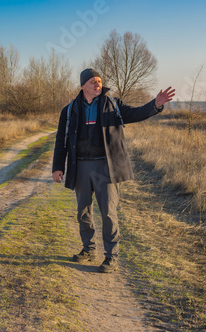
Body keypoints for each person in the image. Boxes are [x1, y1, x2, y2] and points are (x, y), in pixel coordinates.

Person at [52, 68, 175, 273]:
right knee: (83, 211)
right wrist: (57, 166)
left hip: (105, 167)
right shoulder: (69, 109)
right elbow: (60, 141)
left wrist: (156, 104)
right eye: (93, 81)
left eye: (99, 81)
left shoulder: (113, 105)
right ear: (83, 85)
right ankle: (88, 249)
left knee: (108, 212)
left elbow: (136, 113)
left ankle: (111, 257)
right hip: (80, 165)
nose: (97, 84)